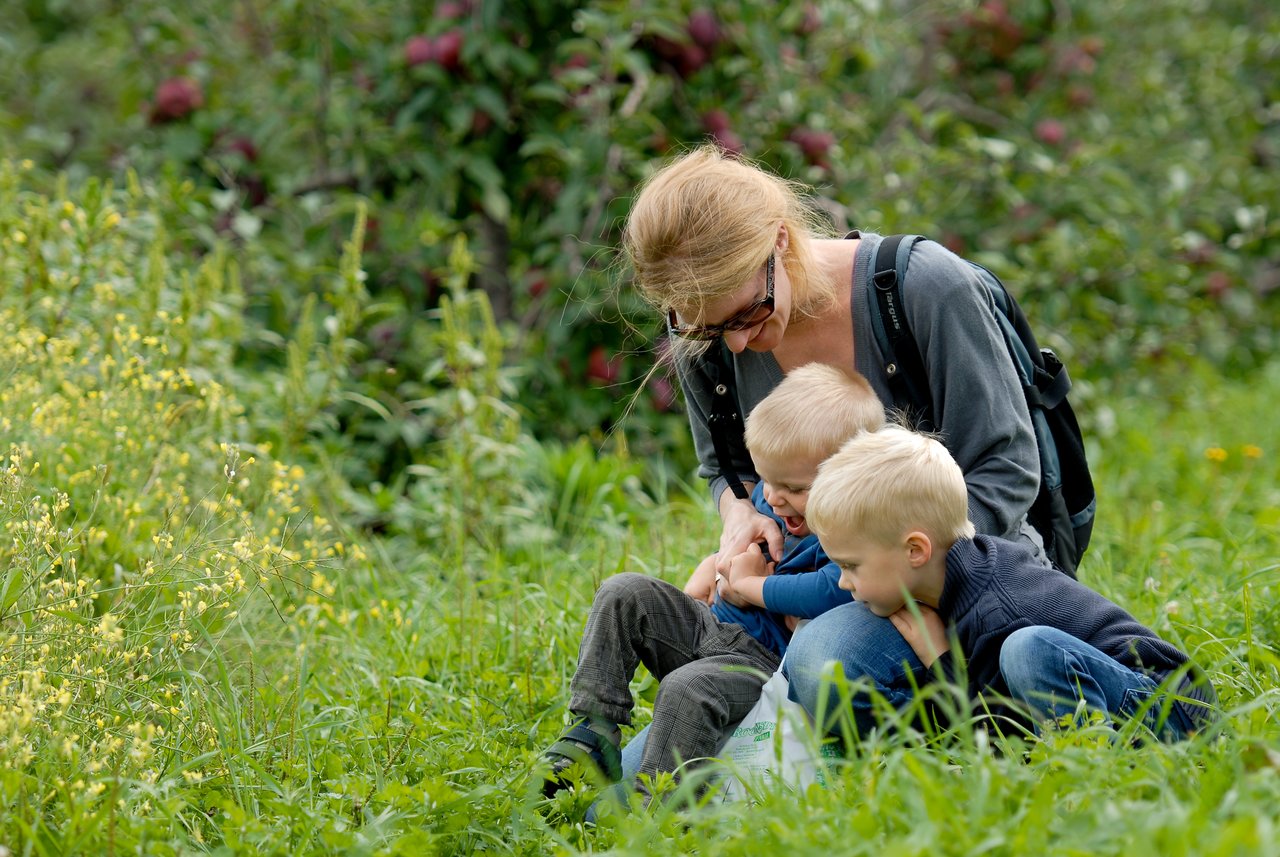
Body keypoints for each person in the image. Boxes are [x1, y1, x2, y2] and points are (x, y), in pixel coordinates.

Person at [623, 144, 1047, 731]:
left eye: (747, 315)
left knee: (824, 664)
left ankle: (966, 745)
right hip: (803, 588)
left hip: (951, 572)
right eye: (703, 326)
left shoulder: (925, 289)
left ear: (780, 241)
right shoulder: (710, 330)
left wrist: (887, 575)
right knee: (622, 790)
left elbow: (1007, 467)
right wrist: (738, 515)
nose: (736, 346)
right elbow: (728, 468)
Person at [538, 364, 882, 799]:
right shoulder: (775, 501)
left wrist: (749, 589)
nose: (772, 498)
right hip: (712, 625)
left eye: (792, 488)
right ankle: (593, 730)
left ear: (845, 481)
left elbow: (830, 590)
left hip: (761, 664)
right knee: (623, 591)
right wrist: (718, 564)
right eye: (767, 481)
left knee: (688, 689)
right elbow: (737, 548)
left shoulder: (851, 533)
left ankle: (658, 810)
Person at [803, 426, 1216, 738]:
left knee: (1028, 649)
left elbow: (989, 727)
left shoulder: (996, 609)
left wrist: (939, 659)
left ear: (915, 550)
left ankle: (1089, 764)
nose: (842, 583)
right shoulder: (957, 574)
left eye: (852, 565)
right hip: (1122, 693)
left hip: (1171, 709)